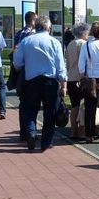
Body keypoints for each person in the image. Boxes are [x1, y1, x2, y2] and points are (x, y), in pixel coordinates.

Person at [13, 15, 68, 151]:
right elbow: (60, 66)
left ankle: (31, 132)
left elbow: (17, 63)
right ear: (48, 28)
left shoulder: (26, 41)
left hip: (32, 81)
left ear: (35, 26)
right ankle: (46, 142)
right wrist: (63, 85)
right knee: (50, 113)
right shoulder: (54, 42)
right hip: (51, 82)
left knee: (30, 109)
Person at [64, 22, 89, 140]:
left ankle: (73, 131)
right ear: (83, 32)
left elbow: (68, 63)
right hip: (82, 78)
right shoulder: (84, 44)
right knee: (83, 105)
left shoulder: (70, 44)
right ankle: (81, 131)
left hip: (71, 77)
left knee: (74, 105)